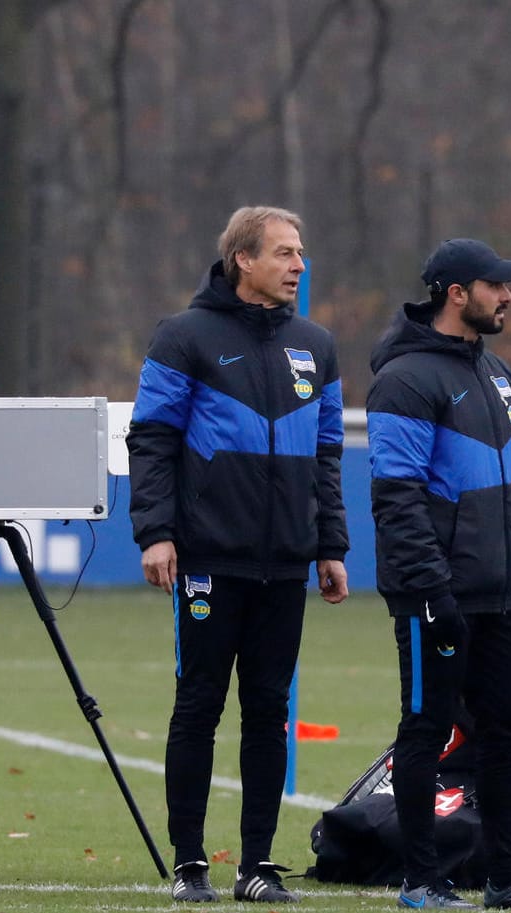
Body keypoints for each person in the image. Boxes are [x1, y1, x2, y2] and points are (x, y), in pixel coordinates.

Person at [126, 206, 349, 904]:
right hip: (208, 559)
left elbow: (327, 453)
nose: (298, 265)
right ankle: (189, 864)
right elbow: (152, 441)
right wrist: (155, 531)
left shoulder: (317, 345)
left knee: (268, 711)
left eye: (301, 252)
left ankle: (256, 864)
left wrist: (330, 544)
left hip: (284, 562)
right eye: (284, 252)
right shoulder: (183, 336)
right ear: (242, 260)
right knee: (198, 706)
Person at [366, 238, 511, 911]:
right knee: (427, 728)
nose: (508, 296)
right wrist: (431, 589)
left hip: (498, 594)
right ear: (457, 293)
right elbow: (396, 499)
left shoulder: (498, 374)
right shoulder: (403, 379)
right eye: (496, 286)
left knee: (509, 728)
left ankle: (505, 879)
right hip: (436, 597)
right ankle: (421, 882)